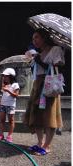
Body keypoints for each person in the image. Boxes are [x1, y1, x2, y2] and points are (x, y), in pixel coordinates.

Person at [24, 28, 65, 156]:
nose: (34, 40)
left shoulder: (55, 49)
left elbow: (57, 66)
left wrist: (39, 60)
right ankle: (40, 142)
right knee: (36, 115)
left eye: (36, 37)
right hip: (38, 85)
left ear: (44, 37)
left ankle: (47, 146)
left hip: (49, 84)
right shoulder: (38, 53)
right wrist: (33, 59)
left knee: (49, 115)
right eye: (33, 38)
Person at [0, 68, 20, 143]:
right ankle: (1, 134)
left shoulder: (15, 84)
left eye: (6, 76)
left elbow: (16, 95)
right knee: (2, 120)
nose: (4, 77)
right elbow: (3, 94)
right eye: (4, 76)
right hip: (3, 104)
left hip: (10, 105)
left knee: (11, 121)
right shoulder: (4, 85)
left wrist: (8, 90)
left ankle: (9, 135)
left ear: (11, 76)